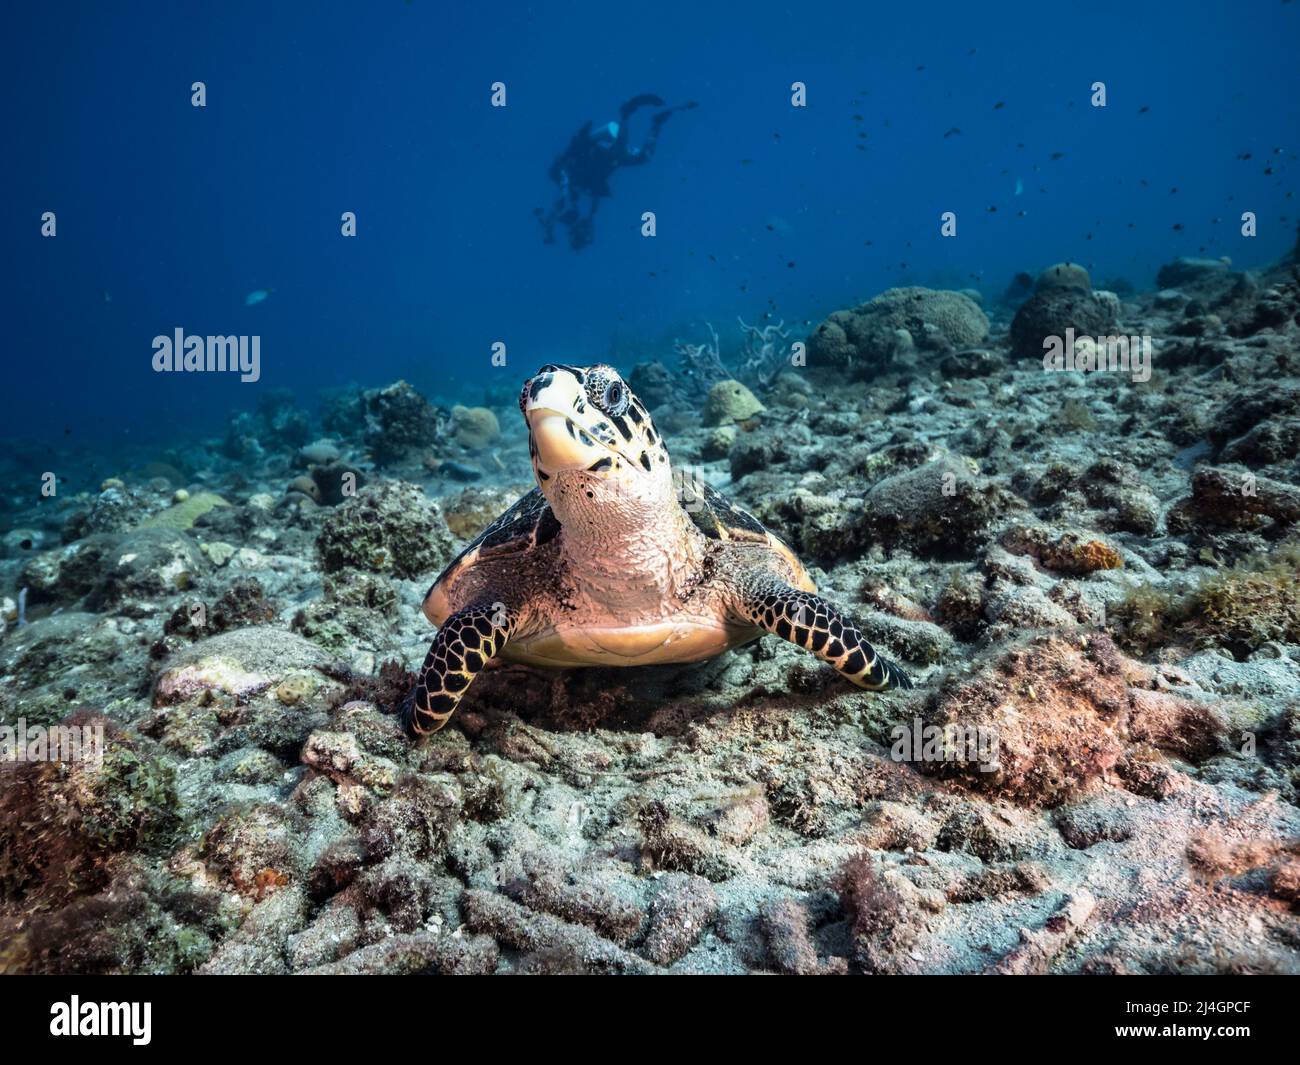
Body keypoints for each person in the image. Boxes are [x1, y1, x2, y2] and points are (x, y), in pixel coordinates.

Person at [535, 93, 697, 250]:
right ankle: (657, 123)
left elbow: (564, 195)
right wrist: (553, 223)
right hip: (608, 157)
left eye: (582, 232)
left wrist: (550, 224)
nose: (586, 228)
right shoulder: (582, 197)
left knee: (619, 150)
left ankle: (626, 113)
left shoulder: (567, 179)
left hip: (600, 147)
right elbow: (594, 194)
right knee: (643, 157)